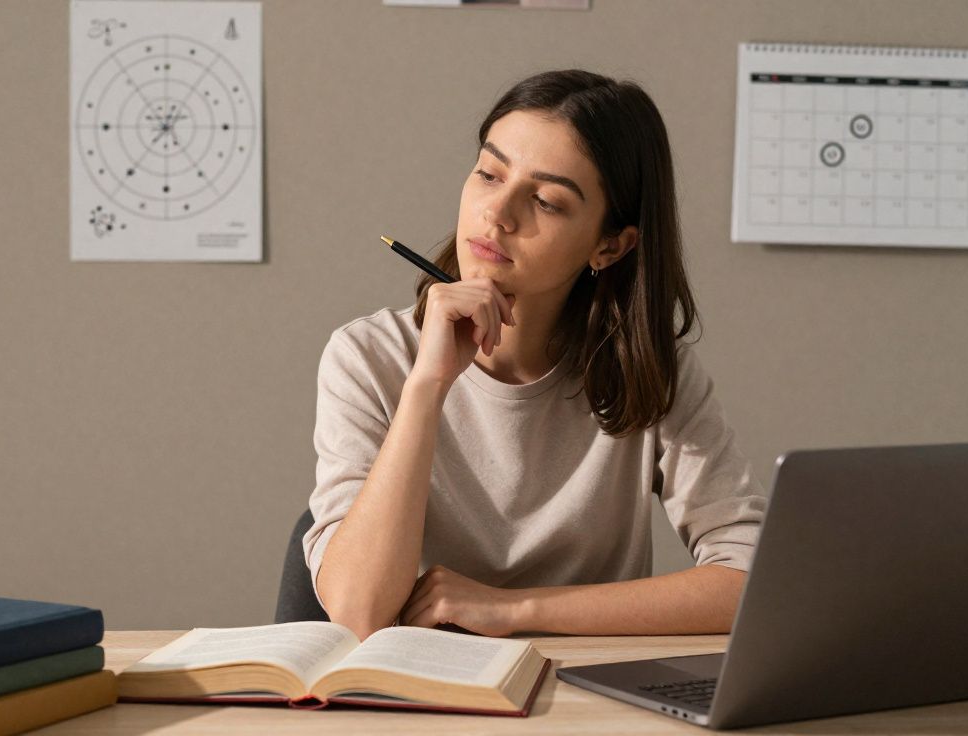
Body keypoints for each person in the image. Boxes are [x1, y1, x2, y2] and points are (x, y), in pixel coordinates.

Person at [303, 69, 767, 641]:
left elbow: (752, 581)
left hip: (590, 704)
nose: (498, 213)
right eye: (489, 173)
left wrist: (512, 609)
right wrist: (427, 387)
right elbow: (359, 611)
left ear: (610, 245)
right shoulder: (367, 358)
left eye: (545, 201)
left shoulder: (648, 371)